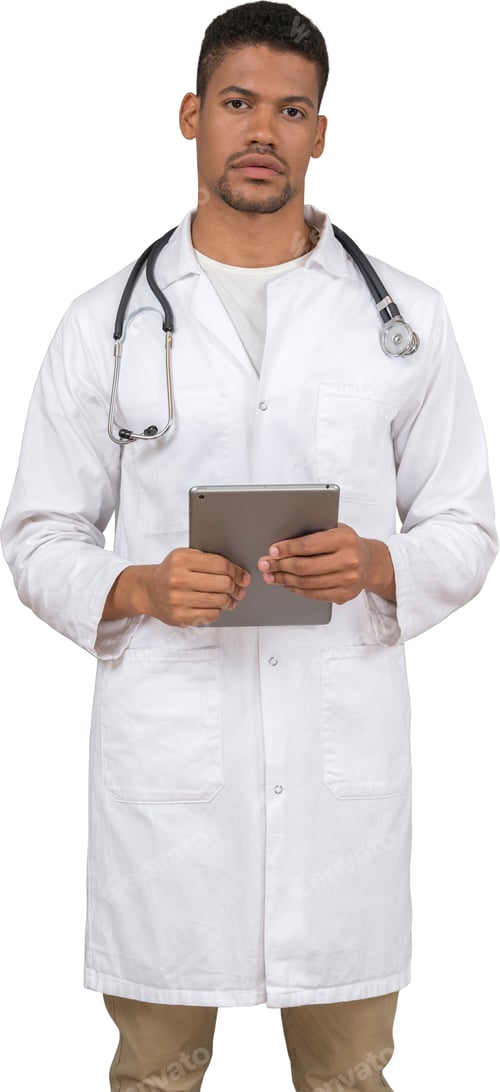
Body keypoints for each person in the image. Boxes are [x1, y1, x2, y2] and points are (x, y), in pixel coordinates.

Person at [2, 1, 498, 1089]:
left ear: (321, 132)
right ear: (192, 116)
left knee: (349, 1075)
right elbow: (38, 533)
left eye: (290, 109)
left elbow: (465, 522)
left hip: (338, 777)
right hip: (171, 776)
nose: (261, 130)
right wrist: (132, 583)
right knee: (154, 1071)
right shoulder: (105, 320)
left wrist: (376, 563)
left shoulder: (403, 319)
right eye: (237, 104)